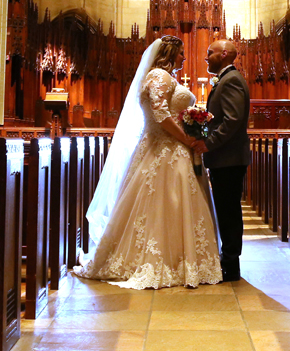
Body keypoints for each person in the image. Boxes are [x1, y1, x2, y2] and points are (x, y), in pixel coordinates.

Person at [73, 35, 222, 289]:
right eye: (181, 53)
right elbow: (162, 114)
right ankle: (169, 261)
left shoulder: (158, 76)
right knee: (167, 202)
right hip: (167, 148)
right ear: (170, 53)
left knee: (168, 204)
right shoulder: (161, 77)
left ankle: (177, 259)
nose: (184, 57)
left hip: (162, 147)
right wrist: (186, 138)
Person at [192, 39, 250, 282]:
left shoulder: (232, 80)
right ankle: (228, 260)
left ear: (224, 54)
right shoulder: (226, 79)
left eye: (210, 53)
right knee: (226, 210)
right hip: (224, 158)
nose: (206, 57)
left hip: (228, 158)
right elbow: (220, 120)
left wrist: (208, 142)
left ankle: (231, 265)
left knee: (229, 211)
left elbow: (232, 120)